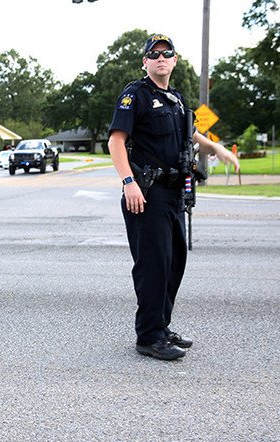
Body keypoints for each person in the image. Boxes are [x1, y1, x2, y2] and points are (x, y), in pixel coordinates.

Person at [107, 34, 239, 361]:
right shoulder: (135, 95)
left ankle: (161, 325)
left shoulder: (177, 100)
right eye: (154, 54)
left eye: (167, 54)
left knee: (174, 262)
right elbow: (115, 141)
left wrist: (219, 149)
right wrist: (128, 182)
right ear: (145, 62)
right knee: (154, 264)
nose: (161, 59)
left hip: (174, 193)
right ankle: (148, 336)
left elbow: (190, 133)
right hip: (146, 193)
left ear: (175, 60)